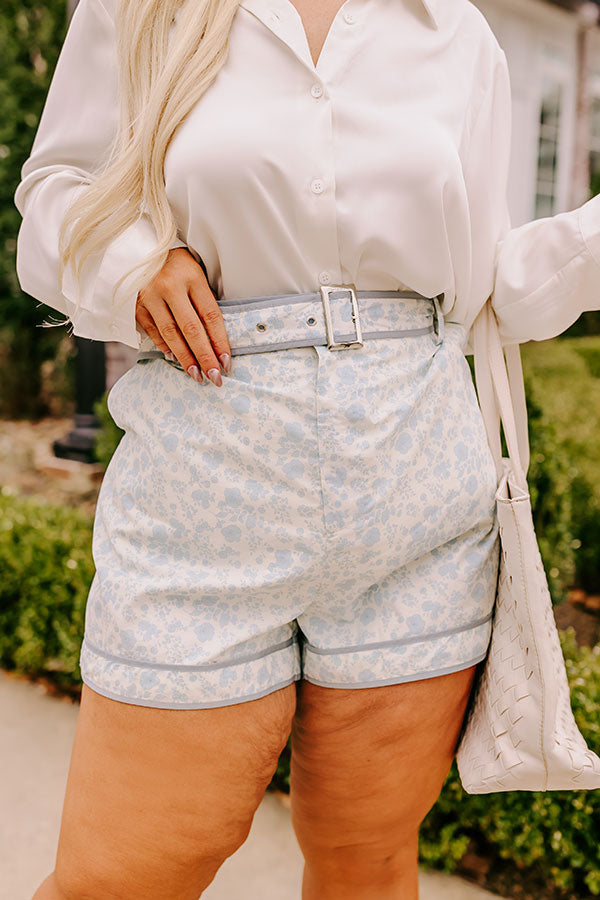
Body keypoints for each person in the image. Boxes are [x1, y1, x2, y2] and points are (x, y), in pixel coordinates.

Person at [13, 0, 600, 897]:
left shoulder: (454, 31)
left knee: (368, 863)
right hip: (205, 502)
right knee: (114, 880)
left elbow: (485, 287)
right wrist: (133, 263)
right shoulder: (145, 9)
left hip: (418, 507)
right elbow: (56, 188)